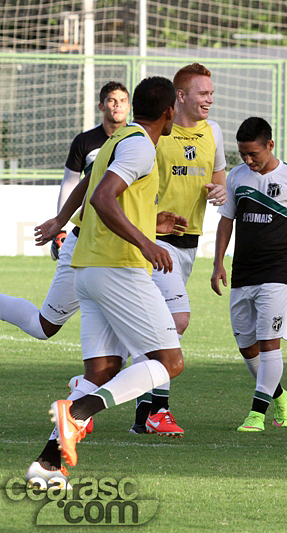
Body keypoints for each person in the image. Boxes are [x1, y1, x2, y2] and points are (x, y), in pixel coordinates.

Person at [44, 76, 188, 476]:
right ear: (169, 113)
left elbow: (91, 184)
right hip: (117, 268)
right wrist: (146, 242)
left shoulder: (115, 140)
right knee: (169, 362)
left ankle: (48, 464)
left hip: (88, 270)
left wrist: (60, 217)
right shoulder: (141, 145)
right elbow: (103, 197)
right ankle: (77, 412)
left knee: (103, 371)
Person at [211, 116, 287, 432]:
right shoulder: (236, 177)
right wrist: (218, 262)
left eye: (254, 155)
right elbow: (226, 221)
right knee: (246, 346)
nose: (248, 161)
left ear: (270, 145)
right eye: (243, 155)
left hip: (276, 274)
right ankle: (279, 395)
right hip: (241, 274)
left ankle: (257, 414)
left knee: (268, 342)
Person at [131, 63, 227, 437]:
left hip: (189, 242)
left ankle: (140, 409)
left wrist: (221, 191)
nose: (210, 99)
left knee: (155, 327)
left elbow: (219, 179)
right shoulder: (156, 134)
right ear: (181, 97)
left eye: (212, 93)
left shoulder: (213, 132)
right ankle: (158, 409)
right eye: (203, 93)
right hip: (156, 241)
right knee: (174, 321)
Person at [0, 81, 130, 341]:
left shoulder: (138, 142)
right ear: (101, 105)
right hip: (87, 237)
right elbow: (73, 183)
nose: (117, 106)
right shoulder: (86, 141)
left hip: (119, 246)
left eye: (123, 101)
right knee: (43, 327)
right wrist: (61, 226)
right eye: (112, 100)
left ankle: (105, 379)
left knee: (121, 323)